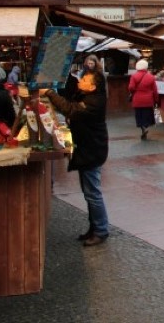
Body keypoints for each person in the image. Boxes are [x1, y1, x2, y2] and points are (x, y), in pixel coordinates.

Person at [45, 60, 110, 247]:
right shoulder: (86, 95)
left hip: (92, 151)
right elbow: (70, 92)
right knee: (89, 192)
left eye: (85, 79)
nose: (81, 81)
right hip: (89, 149)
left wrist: (49, 92)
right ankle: (95, 227)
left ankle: (101, 230)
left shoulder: (94, 102)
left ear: (93, 85)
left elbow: (69, 109)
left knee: (93, 193)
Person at [129, 59, 158, 140]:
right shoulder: (151, 77)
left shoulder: (134, 76)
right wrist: (156, 100)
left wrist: (133, 91)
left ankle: (143, 129)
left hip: (137, 99)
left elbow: (131, 87)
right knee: (147, 115)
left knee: (139, 116)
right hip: (148, 100)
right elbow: (155, 90)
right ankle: (146, 126)